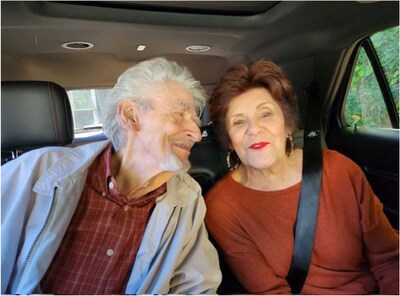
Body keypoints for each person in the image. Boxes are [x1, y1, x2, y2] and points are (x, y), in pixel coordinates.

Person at [2, 57, 221, 294]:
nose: (197, 135)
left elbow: (196, 288)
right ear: (130, 116)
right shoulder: (37, 171)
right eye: (179, 114)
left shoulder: (186, 200)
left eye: (196, 121)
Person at [205, 59, 399, 294]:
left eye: (265, 114)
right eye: (238, 122)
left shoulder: (339, 170)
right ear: (229, 139)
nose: (253, 129)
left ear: (287, 124)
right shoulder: (222, 207)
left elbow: (390, 259)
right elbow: (272, 292)